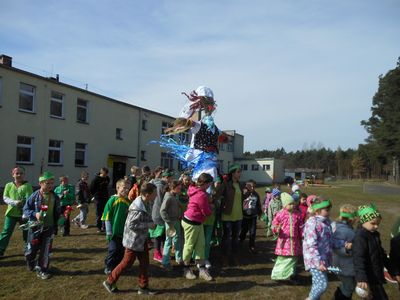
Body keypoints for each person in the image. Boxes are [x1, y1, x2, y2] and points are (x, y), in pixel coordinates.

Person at [103, 182, 158, 295]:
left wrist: (150, 222)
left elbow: (143, 219)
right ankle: (109, 281)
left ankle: (143, 287)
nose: (156, 196)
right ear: (147, 194)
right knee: (126, 263)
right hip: (133, 241)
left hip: (141, 240)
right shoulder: (137, 208)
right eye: (155, 194)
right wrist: (148, 225)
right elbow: (131, 225)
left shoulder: (146, 202)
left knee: (144, 263)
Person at [23, 171, 61, 279]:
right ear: (40, 183)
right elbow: (25, 210)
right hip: (35, 227)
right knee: (31, 250)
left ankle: (42, 269)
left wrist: (61, 217)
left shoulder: (55, 196)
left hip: (49, 227)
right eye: (47, 183)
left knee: (46, 250)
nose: (50, 186)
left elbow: (58, 211)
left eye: (52, 183)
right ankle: (30, 260)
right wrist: (35, 214)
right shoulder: (34, 196)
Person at [353, 204, 391, 300]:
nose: (376, 226)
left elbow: (380, 253)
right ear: (363, 221)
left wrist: (391, 268)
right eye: (373, 223)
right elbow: (358, 258)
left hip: (375, 275)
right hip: (368, 277)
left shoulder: (375, 235)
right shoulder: (360, 237)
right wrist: (361, 277)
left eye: (378, 223)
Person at [181, 173, 213, 281]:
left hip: (197, 222)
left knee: (201, 245)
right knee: (189, 245)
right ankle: (185, 269)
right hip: (191, 222)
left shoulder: (195, 189)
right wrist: (211, 206)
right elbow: (206, 211)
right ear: (206, 183)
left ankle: (202, 269)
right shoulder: (201, 195)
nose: (210, 186)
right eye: (210, 184)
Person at [303, 197, 333, 300]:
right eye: (327, 210)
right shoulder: (312, 223)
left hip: (323, 259)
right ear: (317, 211)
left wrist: (343, 244)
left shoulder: (327, 222)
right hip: (314, 259)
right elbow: (311, 245)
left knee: (317, 283)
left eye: (329, 210)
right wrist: (318, 262)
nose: (329, 212)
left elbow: (331, 239)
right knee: (322, 285)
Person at [0, 166, 33, 257]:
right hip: (11, 213)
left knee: (27, 231)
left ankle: (28, 248)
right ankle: (1, 249)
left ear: (24, 175)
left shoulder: (27, 186)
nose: (19, 175)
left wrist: (23, 204)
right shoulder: (8, 185)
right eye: (17, 173)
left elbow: (29, 199)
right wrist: (14, 202)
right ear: (13, 175)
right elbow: (5, 198)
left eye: (21, 173)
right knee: (6, 231)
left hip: (24, 214)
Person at [271, 193, 303, 283]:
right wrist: (276, 229)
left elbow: (300, 227)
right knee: (283, 258)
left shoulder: (297, 214)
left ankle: (292, 275)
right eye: (290, 204)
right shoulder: (280, 214)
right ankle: (278, 274)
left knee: (294, 258)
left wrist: (302, 236)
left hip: (295, 241)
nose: (293, 205)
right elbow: (274, 225)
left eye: (293, 203)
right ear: (285, 205)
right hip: (284, 241)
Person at [101, 179, 132, 275]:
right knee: (113, 250)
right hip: (113, 232)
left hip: (124, 232)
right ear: (118, 188)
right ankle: (109, 266)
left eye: (128, 188)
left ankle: (118, 266)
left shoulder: (128, 202)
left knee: (121, 251)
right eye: (124, 187)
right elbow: (107, 216)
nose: (126, 190)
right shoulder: (112, 200)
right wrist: (109, 231)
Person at [331, 204, 357, 300]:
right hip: (344, 266)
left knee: (348, 285)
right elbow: (336, 247)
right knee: (348, 287)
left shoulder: (335, 226)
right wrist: (348, 249)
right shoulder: (345, 231)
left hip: (338, 264)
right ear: (351, 219)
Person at [220, 164, 243, 265]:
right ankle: (225, 257)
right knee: (226, 238)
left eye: (240, 172)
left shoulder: (240, 184)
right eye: (238, 172)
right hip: (227, 216)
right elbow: (218, 195)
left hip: (239, 216)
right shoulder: (225, 184)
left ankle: (235, 256)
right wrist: (223, 205)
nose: (240, 173)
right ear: (233, 173)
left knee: (235, 238)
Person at [149, 168, 172, 263]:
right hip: (158, 213)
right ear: (166, 177)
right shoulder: (159, 186)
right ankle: (157, 252)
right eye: (170, 178)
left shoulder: (163, 185)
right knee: (158, 235)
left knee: (162, 234)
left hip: (161, 213)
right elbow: (159, 201)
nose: (170, 180)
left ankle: (162, 251)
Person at [160, 180, 183, 269]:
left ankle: (178, 258)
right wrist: (168, 222)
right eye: (179, 188)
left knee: (177, 240)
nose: (180, 190)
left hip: (176, 221)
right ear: (173, 188)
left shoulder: (174, 195)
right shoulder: (168, 197)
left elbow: (175, 205)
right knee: (168, 241)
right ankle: (165, 262)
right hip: (170, 223)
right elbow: (162, 211)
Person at [239, 179, 262, 253]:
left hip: (253, 217)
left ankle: (251, 246)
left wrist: (259, 212)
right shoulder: (244, 194)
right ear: (247, 186)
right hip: (245, 217)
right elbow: (240, 203)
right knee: (244, 231)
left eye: (254, 187)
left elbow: (258, 205)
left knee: (253, 232)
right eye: (250, 186)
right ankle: (241, 241)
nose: (252, 188)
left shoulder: (256, 195)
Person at [90, 167, 110, 233]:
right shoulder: (96, 179)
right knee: (99, 213)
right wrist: (94, 195)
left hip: (105, 197)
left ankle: (104, 227)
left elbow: (107, 185)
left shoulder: (107, 178)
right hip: (98, 198)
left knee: (105, 212)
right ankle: (99, 227)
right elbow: (91, 188)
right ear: (101, 173)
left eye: (106, 174)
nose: (105, 176)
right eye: (104, 174)